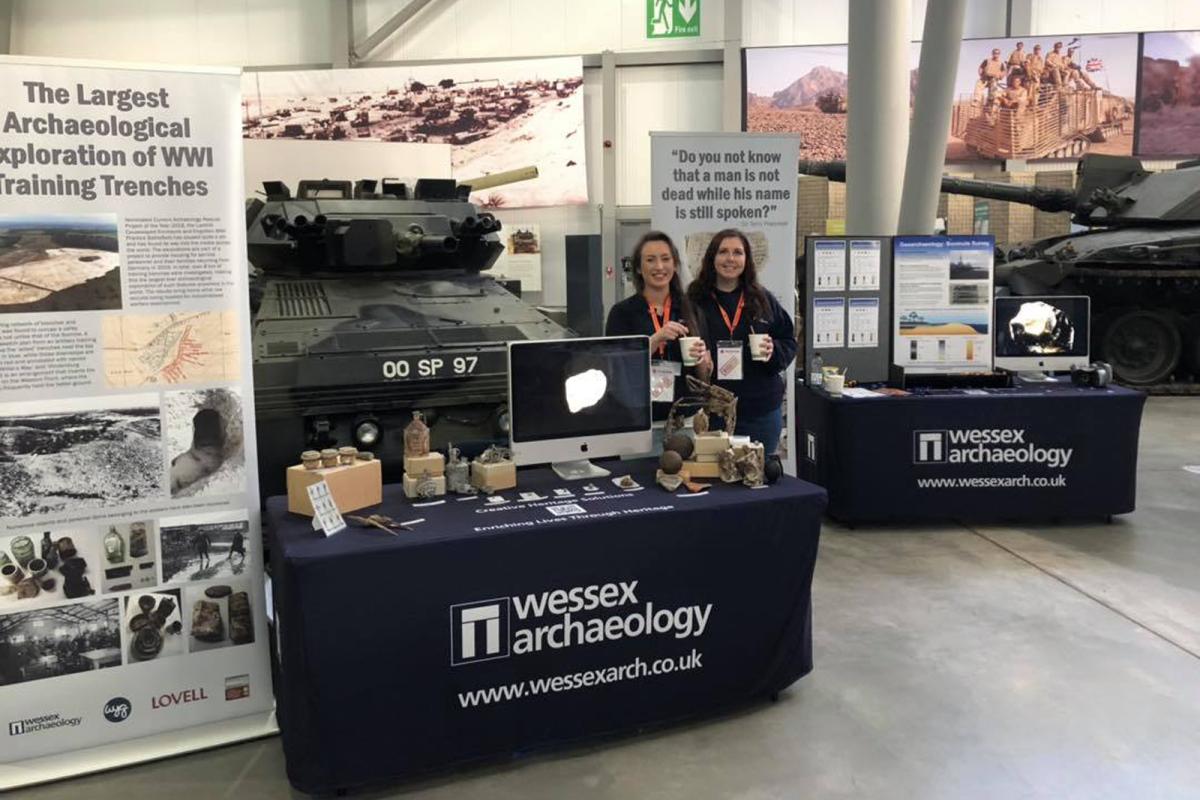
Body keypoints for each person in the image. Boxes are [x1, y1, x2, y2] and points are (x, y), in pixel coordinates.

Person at [688, 229, 796, 456]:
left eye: (738, 253)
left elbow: (788, 340)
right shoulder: (695, 299)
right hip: (713, 413)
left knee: (758, 481)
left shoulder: (762, 299)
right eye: (723, 252)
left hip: (761, 411)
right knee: (716, 483)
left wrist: (773, 350)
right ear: (712, 258)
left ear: (747, 260)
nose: (730, 258)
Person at [605, 231, 711, 425]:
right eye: (650, 260)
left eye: (665, 259)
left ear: (675, 264)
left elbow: (704, 379)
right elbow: (616, 368)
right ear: (638, 267)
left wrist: (702, 360)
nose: (659, 267)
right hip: (638, 420)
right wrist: (654, 340)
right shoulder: (622, 313)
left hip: (687, 419)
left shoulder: (691, 309)